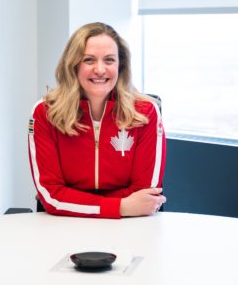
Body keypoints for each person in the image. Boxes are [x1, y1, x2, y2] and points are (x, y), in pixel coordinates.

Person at [28, 22, 166, 218]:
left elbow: (145, 194)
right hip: (63, 224)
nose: (100, 69)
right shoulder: (44, 113)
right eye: (89, 60)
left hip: (129, 225)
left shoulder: (146, 113)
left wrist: (75, 200)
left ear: (121, 66)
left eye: (109, 60)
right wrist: (121, 206)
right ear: (73, 65)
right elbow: (51, 196)